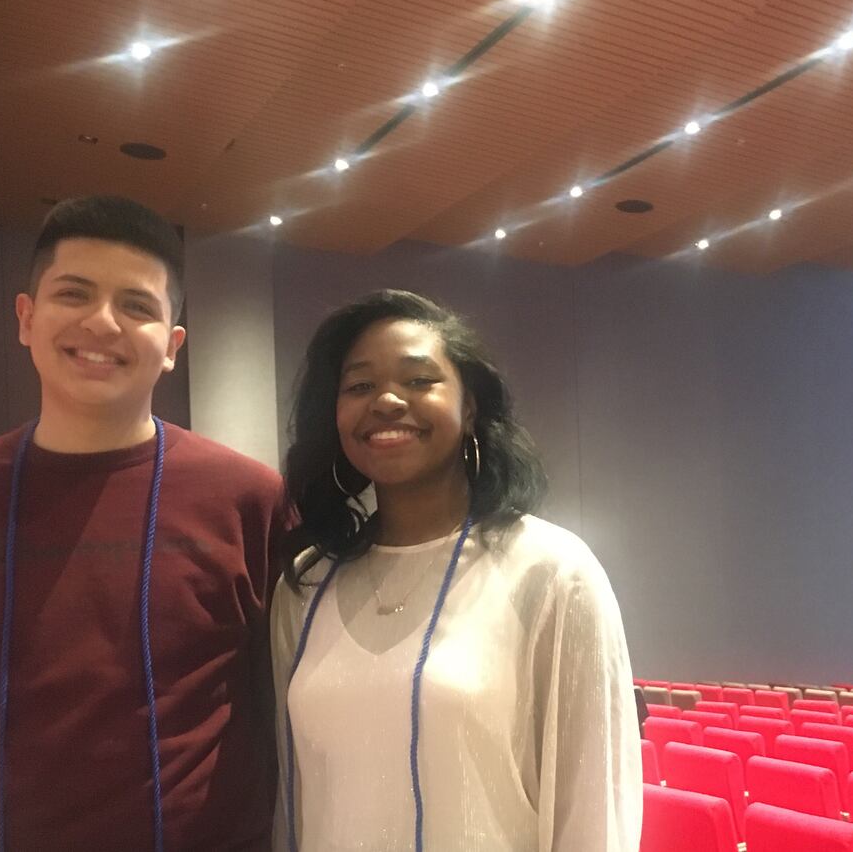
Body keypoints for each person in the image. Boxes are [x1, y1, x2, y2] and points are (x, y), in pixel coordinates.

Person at [0, 195, 284, 851]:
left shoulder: (249, 500)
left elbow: (276, 700)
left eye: (138, 306)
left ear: (172, 346)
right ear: (26, 318)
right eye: (74, 294)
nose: (102, 322)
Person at [271, 289, 640, 851]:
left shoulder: (550, 572)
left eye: (419, 380)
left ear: (470, 408)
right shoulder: (308, 586)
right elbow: (289, 796)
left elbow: (594, 811)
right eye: (359, 386)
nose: (386, 401)